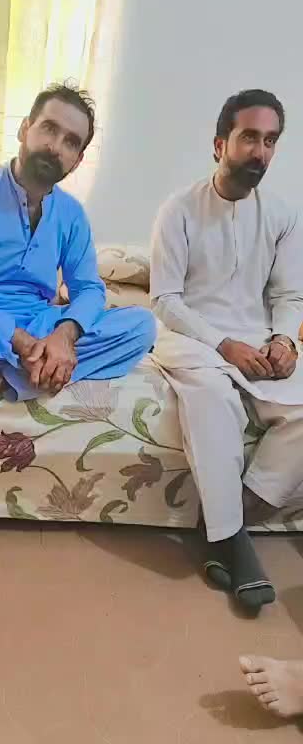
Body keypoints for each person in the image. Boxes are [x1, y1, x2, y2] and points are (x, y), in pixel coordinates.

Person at [0, 83, 156, 413]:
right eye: (49, 128)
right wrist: (19, 340)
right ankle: (31, 369)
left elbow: (89, 289)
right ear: (24, 129)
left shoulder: (72, 214)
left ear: (77, 161)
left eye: (70, 142)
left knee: (141, 327)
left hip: (39, 321)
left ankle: (1, 378)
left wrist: (64, 336)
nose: (55, 147)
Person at [150, 89, 303, 612]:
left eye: (270, 141)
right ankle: (237, 547)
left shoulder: (282, 215)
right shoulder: (179, 210)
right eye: (249, 138)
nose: (260, 151)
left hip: (255, 336)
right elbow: (164, 299)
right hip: (191, 337)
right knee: (212, 398)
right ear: (220, 144)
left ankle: (219, 525)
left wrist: (283, 339)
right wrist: (223, 345)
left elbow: (288, 295)